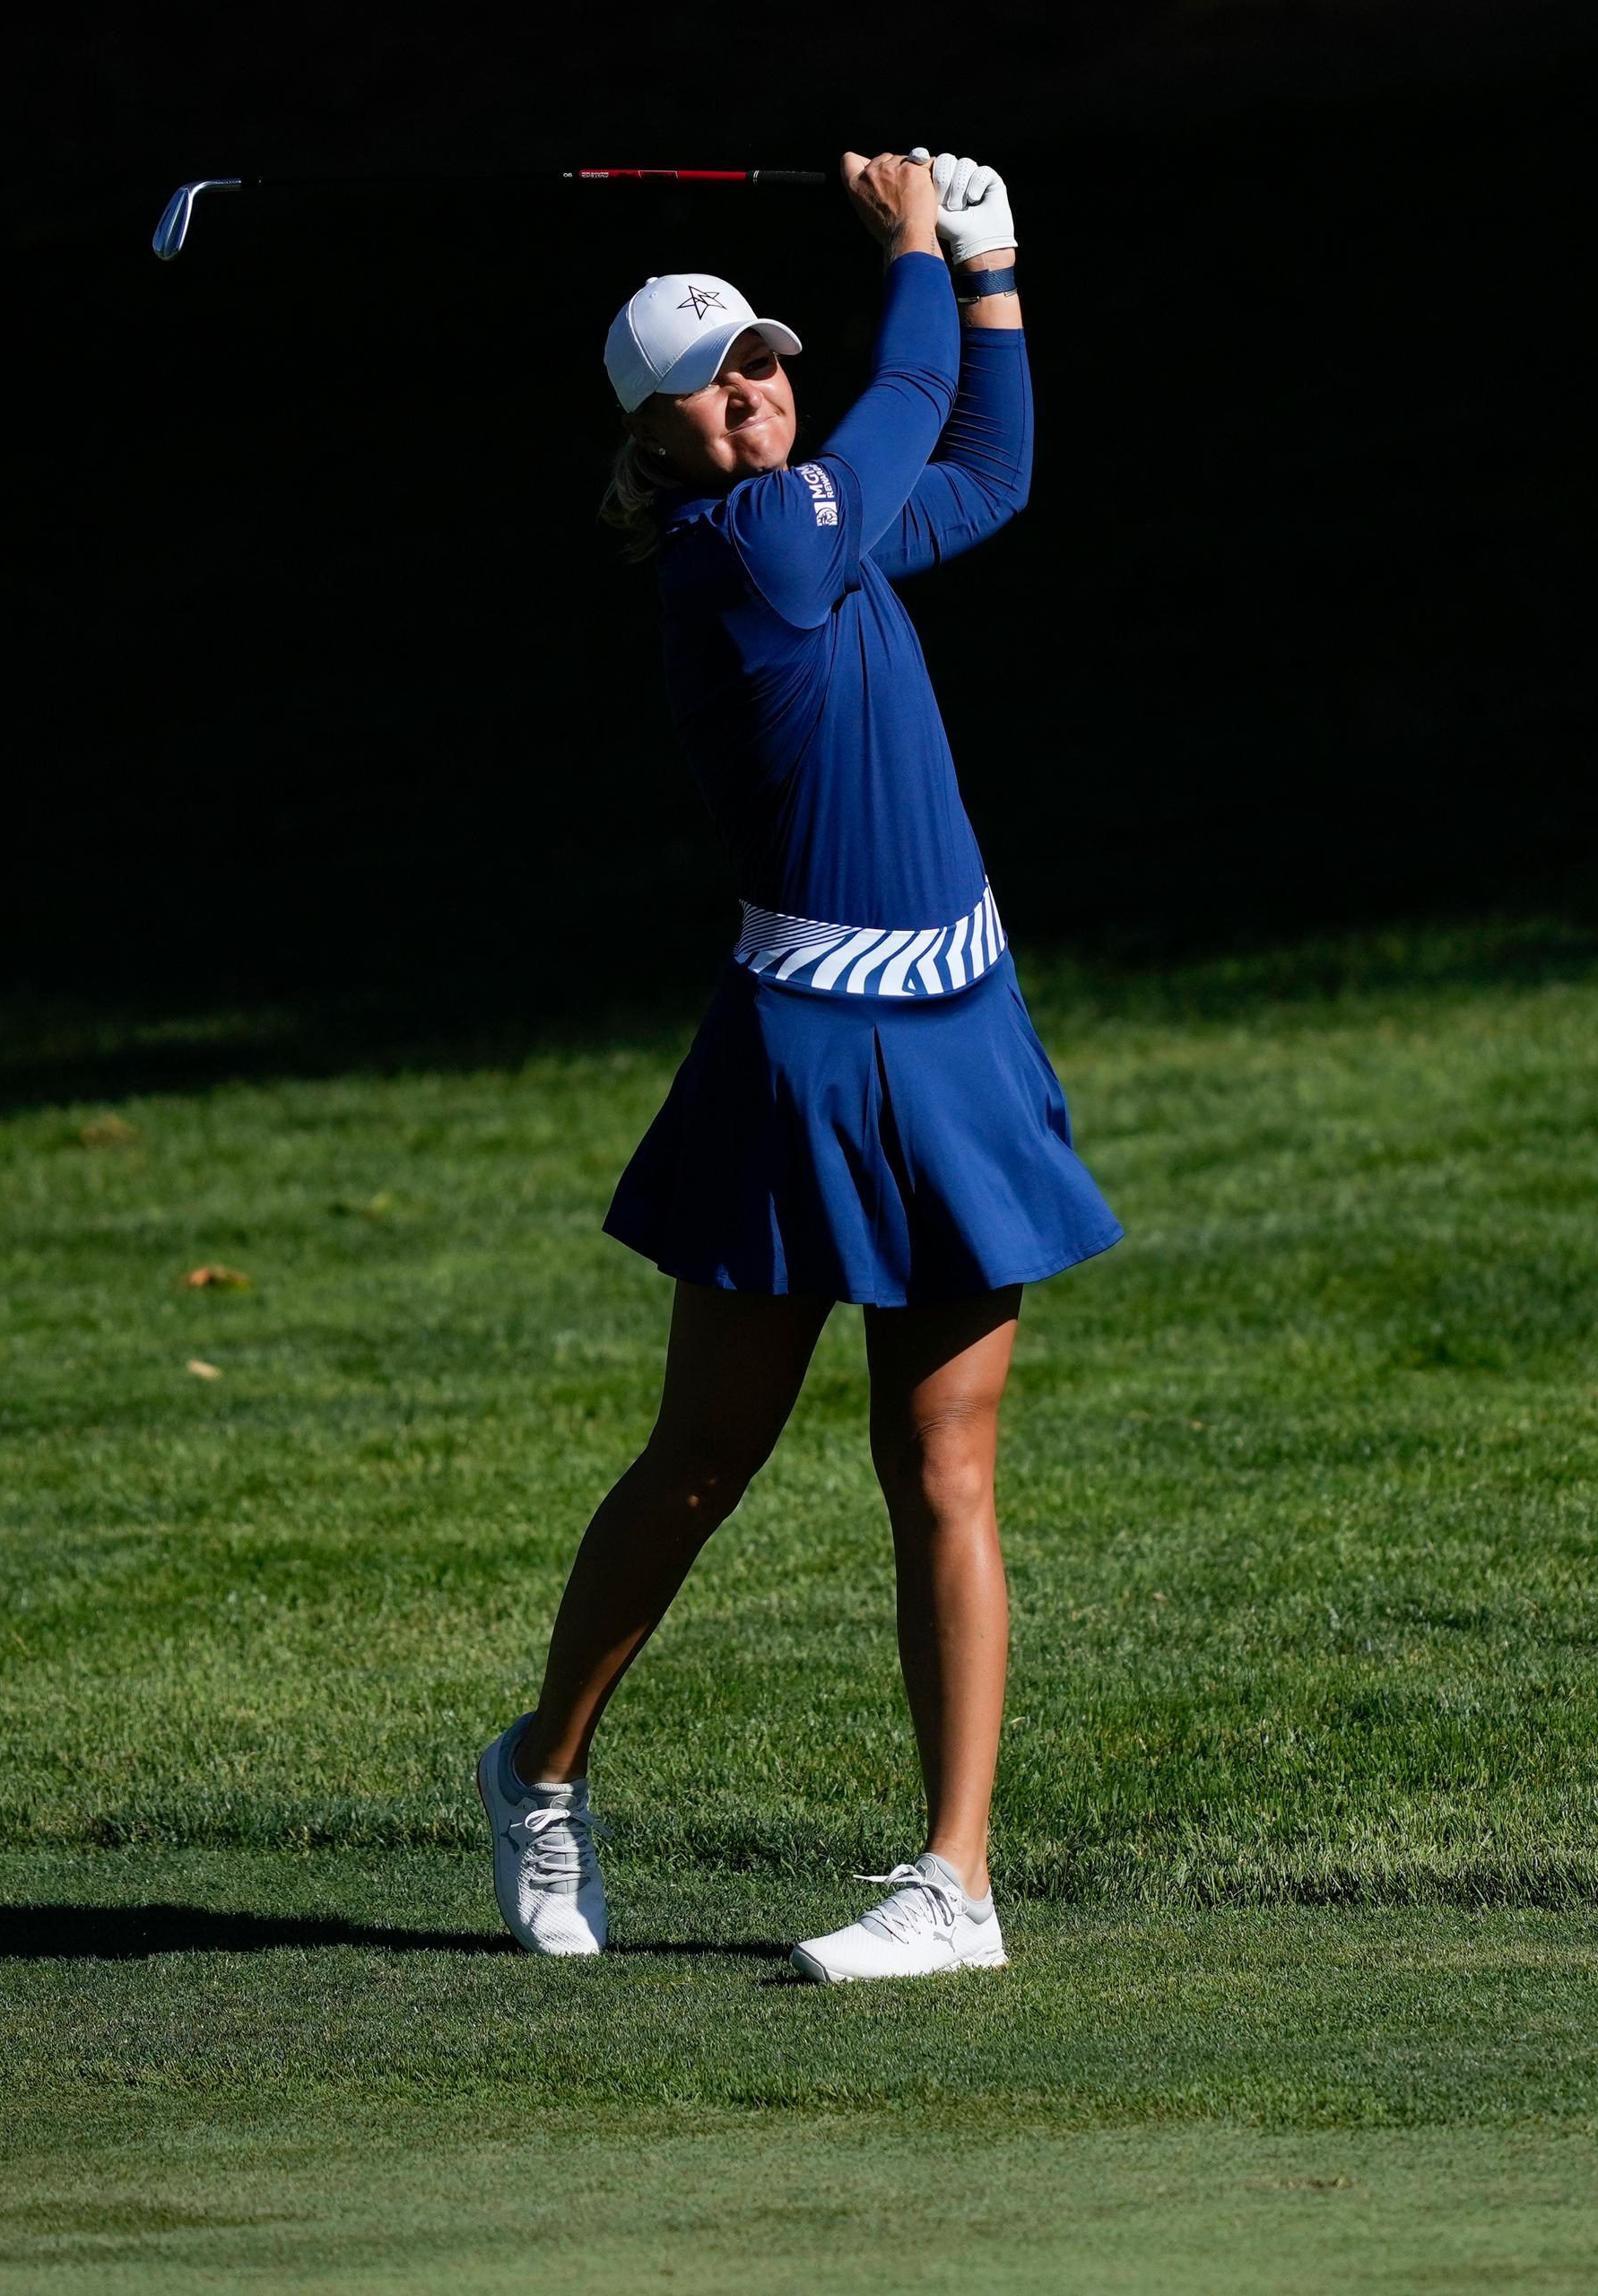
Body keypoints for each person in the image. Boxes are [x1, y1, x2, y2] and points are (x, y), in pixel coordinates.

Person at [473, 149, 1116, 1985]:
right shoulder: (744, 549)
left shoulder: (823, 510)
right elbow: (910, 404)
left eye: (764, 360)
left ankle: (956, 1884)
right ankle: (540, 1770)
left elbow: (982, 465)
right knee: (704, 1456)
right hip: (806, 1054)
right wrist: (914, 247)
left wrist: (991, 270)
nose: (750, 389)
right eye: (710, 378)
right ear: (654, 434)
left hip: (960, 1024)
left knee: (949, 1457)